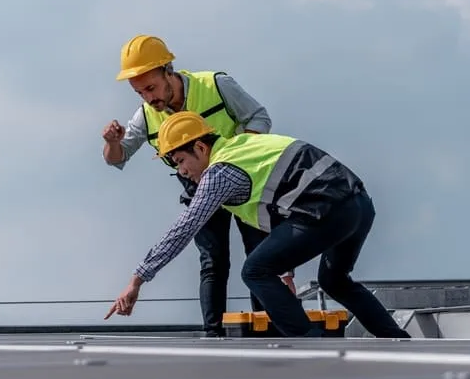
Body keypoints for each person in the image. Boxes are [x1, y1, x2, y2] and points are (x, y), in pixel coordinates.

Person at [104, 111, 411, 339]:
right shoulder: (244, 146)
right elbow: (279, 214)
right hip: (357, 205)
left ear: (200, 148)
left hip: (326, 210)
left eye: (181, 160)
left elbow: (185, 227)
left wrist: (137, 280)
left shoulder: (220, 173)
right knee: (335, 281)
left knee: (253, 270)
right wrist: (286, 272)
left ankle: (312, 345)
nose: (183, 172)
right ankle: (397, 339)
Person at [102, 34, 295, 337]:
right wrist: (112, 143)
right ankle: (214, 334)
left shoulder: (217, 86)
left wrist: (239, 156)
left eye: (151, 88)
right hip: (199, 187)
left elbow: (259, 117)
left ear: (169, 71)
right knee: (213, 261)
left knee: (259, 257)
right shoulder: (146, 115)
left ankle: (269, 329)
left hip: (242, 183)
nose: (149, 98)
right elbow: (118, 158)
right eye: (140, 93)